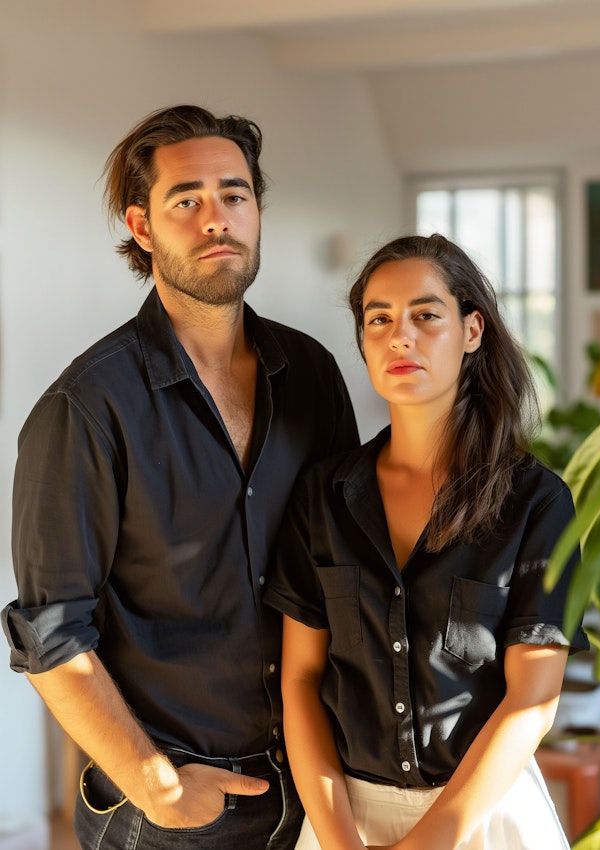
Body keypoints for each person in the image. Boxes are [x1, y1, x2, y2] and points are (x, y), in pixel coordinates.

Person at [1, 104, 359, 850]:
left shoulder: (313, 377)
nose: (216, 218)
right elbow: (50, 634)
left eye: (234, 195)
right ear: (142, 227)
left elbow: (344, 563)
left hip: (316, 783)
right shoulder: (87, 408)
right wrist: (157, 786)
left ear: (258, 210)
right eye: (186, 200)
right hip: (173, 809)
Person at [264, 234, 589, 850]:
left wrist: (431, 840)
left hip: (485, 814)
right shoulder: (321, 498)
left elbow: (533, 699)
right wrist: (338, 841)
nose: (399, 337)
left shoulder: (536, 502)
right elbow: (301, 680)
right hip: (344, 821)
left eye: (425, 316)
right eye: (378, 319)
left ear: (472, 331)